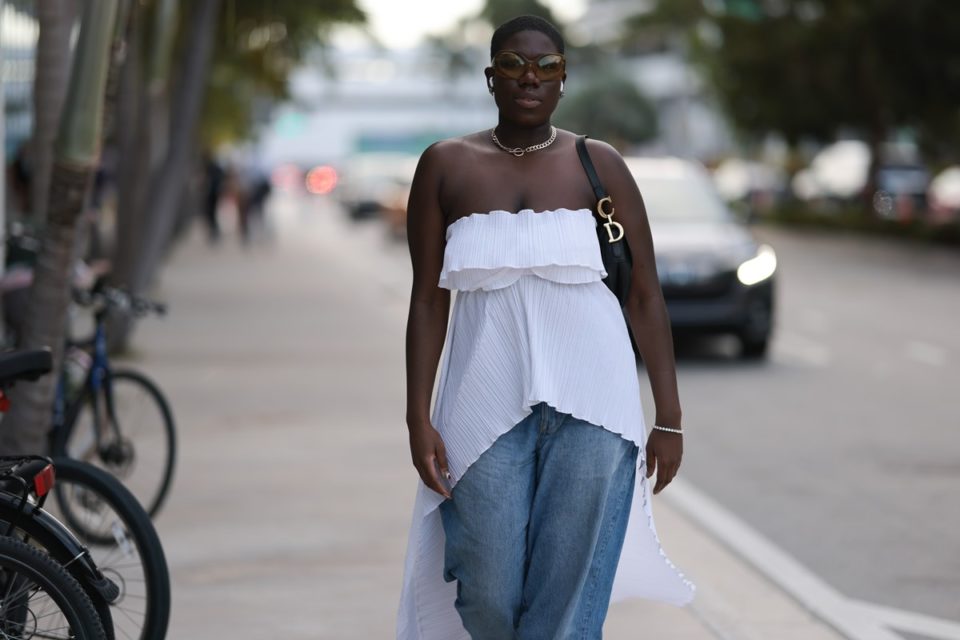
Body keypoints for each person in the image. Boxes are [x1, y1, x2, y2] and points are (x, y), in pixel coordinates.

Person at [398, 15, 695, 639]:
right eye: (512, 64)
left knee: (567, 596)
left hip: (595, 404)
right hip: (482, 402)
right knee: (488, 592)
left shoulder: (599, 164)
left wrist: (667, 417)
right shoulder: (446, 165)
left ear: (563, 78)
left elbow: (644, 295)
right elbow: (427, 300)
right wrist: (416, 416)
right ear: (490, 76)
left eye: (545, 66)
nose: (528, 77)